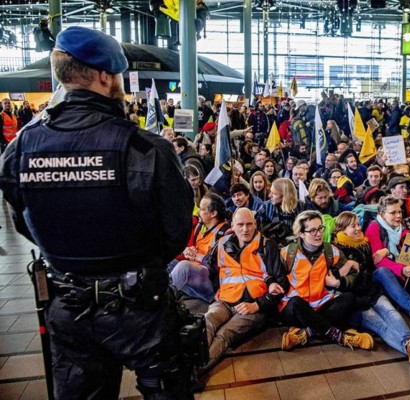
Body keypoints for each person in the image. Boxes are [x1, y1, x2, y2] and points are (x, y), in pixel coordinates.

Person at [0, 27, 195, 399]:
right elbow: (176, 232)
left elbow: (21, 222)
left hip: (67, 303)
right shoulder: (144, 148)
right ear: (106, 76)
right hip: (140, 310)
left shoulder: (21, 145)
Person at [197, 208, 289, 378]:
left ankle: (194, 373)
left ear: (255, 224)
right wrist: (218, 288)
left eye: (249, 224)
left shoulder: (267, 246)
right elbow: (211, 269)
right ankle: (190, 366)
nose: (245, 229)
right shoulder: (222, 244)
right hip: (225, 300)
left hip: (253, 306)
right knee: (207, 322)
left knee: (225, 334)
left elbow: (282, 285)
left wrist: (257, 305)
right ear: (232, 226)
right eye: (240, 225)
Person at [333, 212, 410, 365]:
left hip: (372, 292)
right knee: (381, 325)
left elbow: (377, 267)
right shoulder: (336, 250)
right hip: (356, 301)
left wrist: (388, 252)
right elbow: (338, 281)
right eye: (353, 226)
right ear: (342, 229)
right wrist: (350, 265)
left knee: (392, 314)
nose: (358, 229)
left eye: (358, 224)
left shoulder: (365, 245)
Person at [279, 211, 374, 351]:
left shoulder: (331, 251)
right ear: (301, 233)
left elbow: (353, 275)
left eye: (320, 228)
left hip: (322, 303)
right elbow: (276, 277)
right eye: (312, 230)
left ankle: (306, 332)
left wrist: (338, 282)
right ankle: (340, 336)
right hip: (297, 307)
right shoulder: (287, 253)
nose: (318, 234)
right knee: (295, 303)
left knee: (348, 298)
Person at [170, 193, 230, 302]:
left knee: (184, 267)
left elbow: (226, 267)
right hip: (196, 275)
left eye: (201, 209)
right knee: (167, 261)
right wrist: (187, 252)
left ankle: (163, 302)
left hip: (213, 282)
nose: (197, 212)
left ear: (213, 213)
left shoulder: (226, 233)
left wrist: (200, 257)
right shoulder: (200, 227)